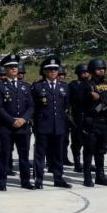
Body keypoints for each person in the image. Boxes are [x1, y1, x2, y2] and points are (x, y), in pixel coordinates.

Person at [0, 54, 34, 191]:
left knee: (24, 155)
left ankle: (25, 181)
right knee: (4, 154)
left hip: (23, 126)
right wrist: (12, 120)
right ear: (5, 69)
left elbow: (31, 106)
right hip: (6, 127)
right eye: (10, 67)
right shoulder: (0, 87)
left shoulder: (25, 86)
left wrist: (23, 119)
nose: (14, 69)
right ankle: (2, 181)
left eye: (15, 66)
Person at [73, 58, 107, 187]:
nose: (101, 70)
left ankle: (100, 176)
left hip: (105, 123)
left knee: (101, 150)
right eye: (98, 69)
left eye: (103, 68)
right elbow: (77, 102)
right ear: (92, 71)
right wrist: (88, 96)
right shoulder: (85, 85)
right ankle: (87, 177)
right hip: (91, 122)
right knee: (89, 150)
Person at [31, 57, 72, 188]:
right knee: (40, 154)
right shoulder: (37, 87)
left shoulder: (64, 87)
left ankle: (58, 178)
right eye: (50, 69)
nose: (53, 71)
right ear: (44, 71)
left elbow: (65, 106)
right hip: (43, 125)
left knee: (58, 154)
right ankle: (39, 179)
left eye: (55, 69)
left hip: (59, 126)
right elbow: (33, 107)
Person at [67, 64, 90, 172]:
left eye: (87, 72)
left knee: (89, 142)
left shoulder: (92, 84)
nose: (85, 74)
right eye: (83, 72)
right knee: (77, 141)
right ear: (78, 74)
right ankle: (77, 163)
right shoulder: (73, 85)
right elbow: (68, 101)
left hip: (90, 116)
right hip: (77, 116)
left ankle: (87, 163)